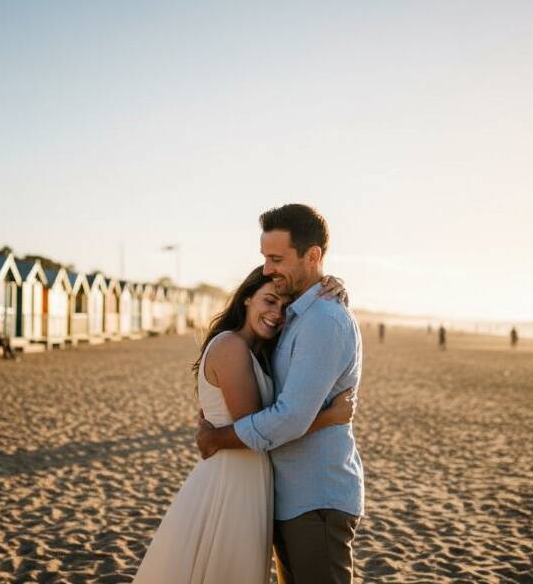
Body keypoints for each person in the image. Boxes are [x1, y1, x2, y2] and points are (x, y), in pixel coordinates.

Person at [133, 267, 354, 584]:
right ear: (247, 299)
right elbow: (257, 429)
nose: (276, 314)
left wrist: (335, 285)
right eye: (269, 301)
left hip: (248, 477)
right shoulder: (231, 347)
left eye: (284, 308)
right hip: (232, 481)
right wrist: (328, 418)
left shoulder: (254, 351)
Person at [196, 204, 363, 584]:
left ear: (313, 256)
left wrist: (216, 438)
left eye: (276, 258)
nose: (268, 268)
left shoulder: (322, 320)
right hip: (290, 498)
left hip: (316, 498)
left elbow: (289, 416)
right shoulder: (299, 316)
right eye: (264, 258)